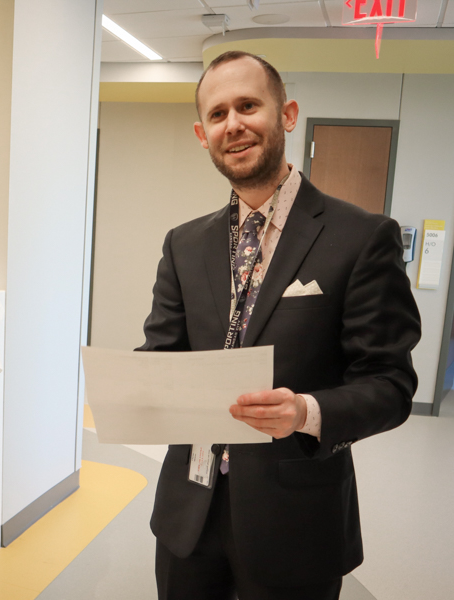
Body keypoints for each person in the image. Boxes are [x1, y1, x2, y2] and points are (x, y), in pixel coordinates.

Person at [137, 51, 420, 599]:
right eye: (218, 115)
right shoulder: (184, 244)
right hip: (187, 514)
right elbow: (162, 353)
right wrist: (140, 387)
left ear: (286, 114)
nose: (234, 125)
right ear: (203, 134)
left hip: (296, 517)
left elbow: (390, 384)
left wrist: (304, 412)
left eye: (248, 106)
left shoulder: (361, 238)